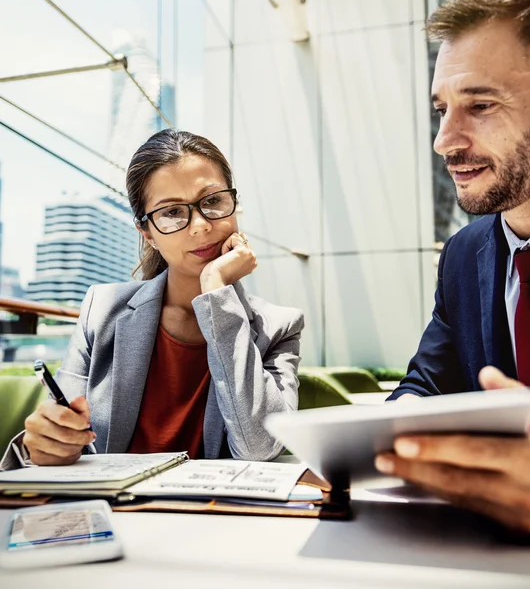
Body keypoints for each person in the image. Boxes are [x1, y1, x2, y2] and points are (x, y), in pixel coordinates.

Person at [375, 0, 530, 534]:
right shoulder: (463, 255)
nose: (445, 141)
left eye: (480, 105)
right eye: (441, 110)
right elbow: (429, 385)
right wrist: (370, 439)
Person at [1, 129, 304, 470]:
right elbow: (63, 435)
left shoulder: (279, 326)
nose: (200, 226)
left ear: (234, 205)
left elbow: (258, 448)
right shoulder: (101, 310)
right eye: (172, 212)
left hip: (220, 516)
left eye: (213, 201)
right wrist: (49, 443)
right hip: (115, 512)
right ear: (147, 233)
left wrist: (216, 289)